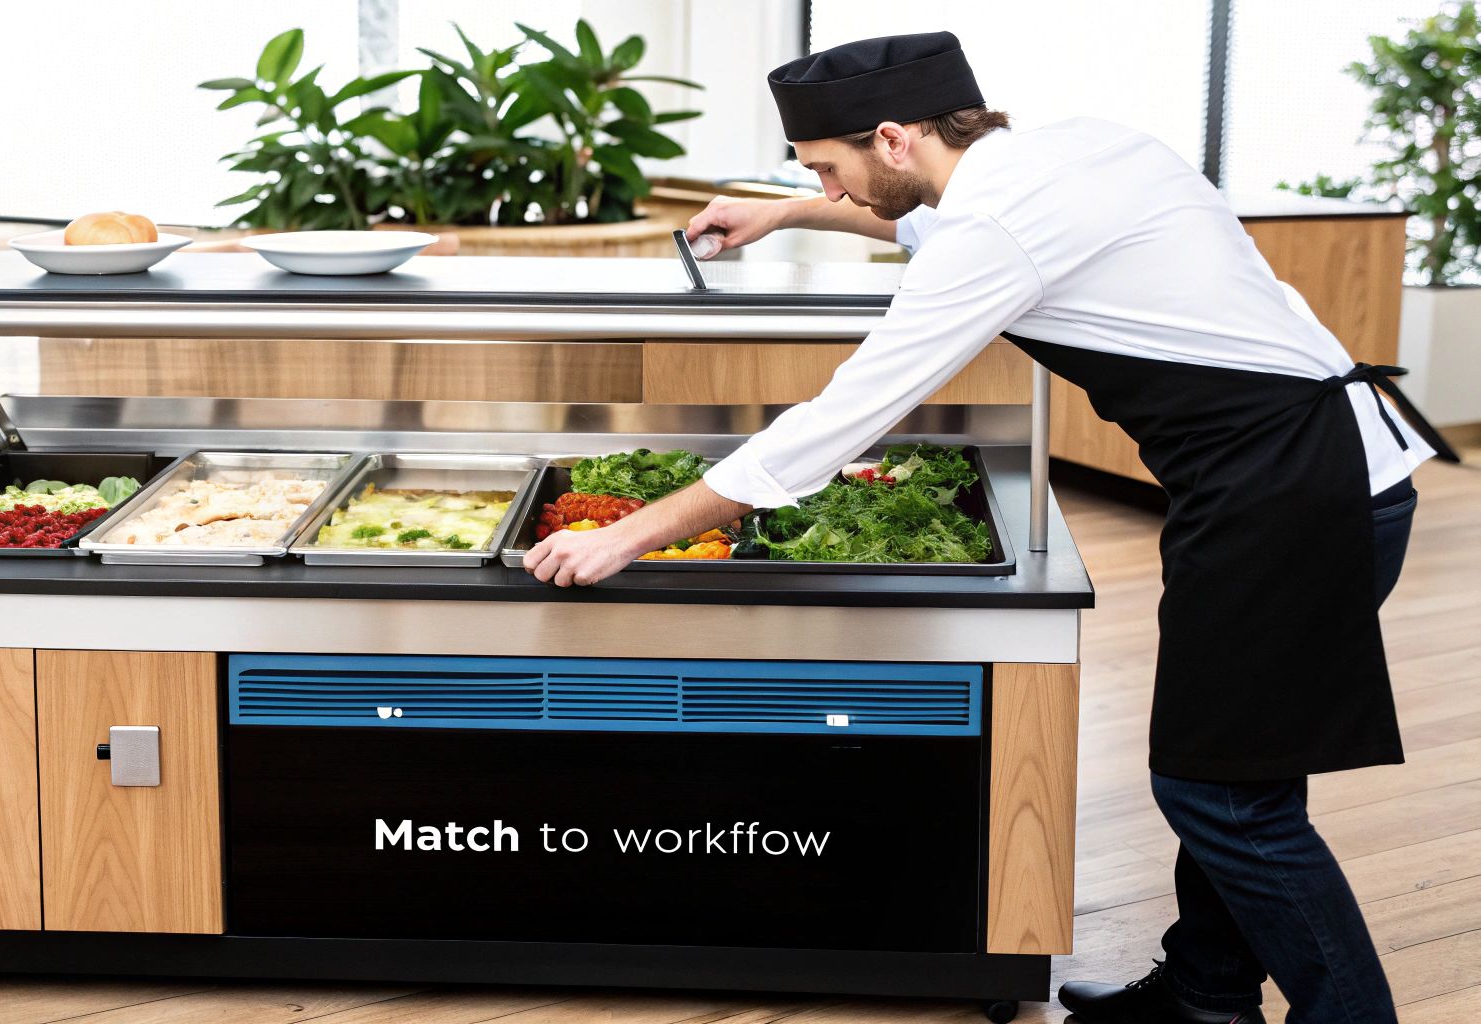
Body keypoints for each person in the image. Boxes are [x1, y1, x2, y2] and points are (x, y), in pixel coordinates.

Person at [522, 31, 1428, 1024]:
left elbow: (838, 418)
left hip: (1289, 490)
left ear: (890, 137)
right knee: (1234, 767)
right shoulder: (1065, 153)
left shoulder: (993, 229)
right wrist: (780, 210)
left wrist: (634, 531)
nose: (837, 191)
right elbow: (922, 217)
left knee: (1220, 795)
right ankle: (1204, 995)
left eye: (829, 171)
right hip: (1321, 467)